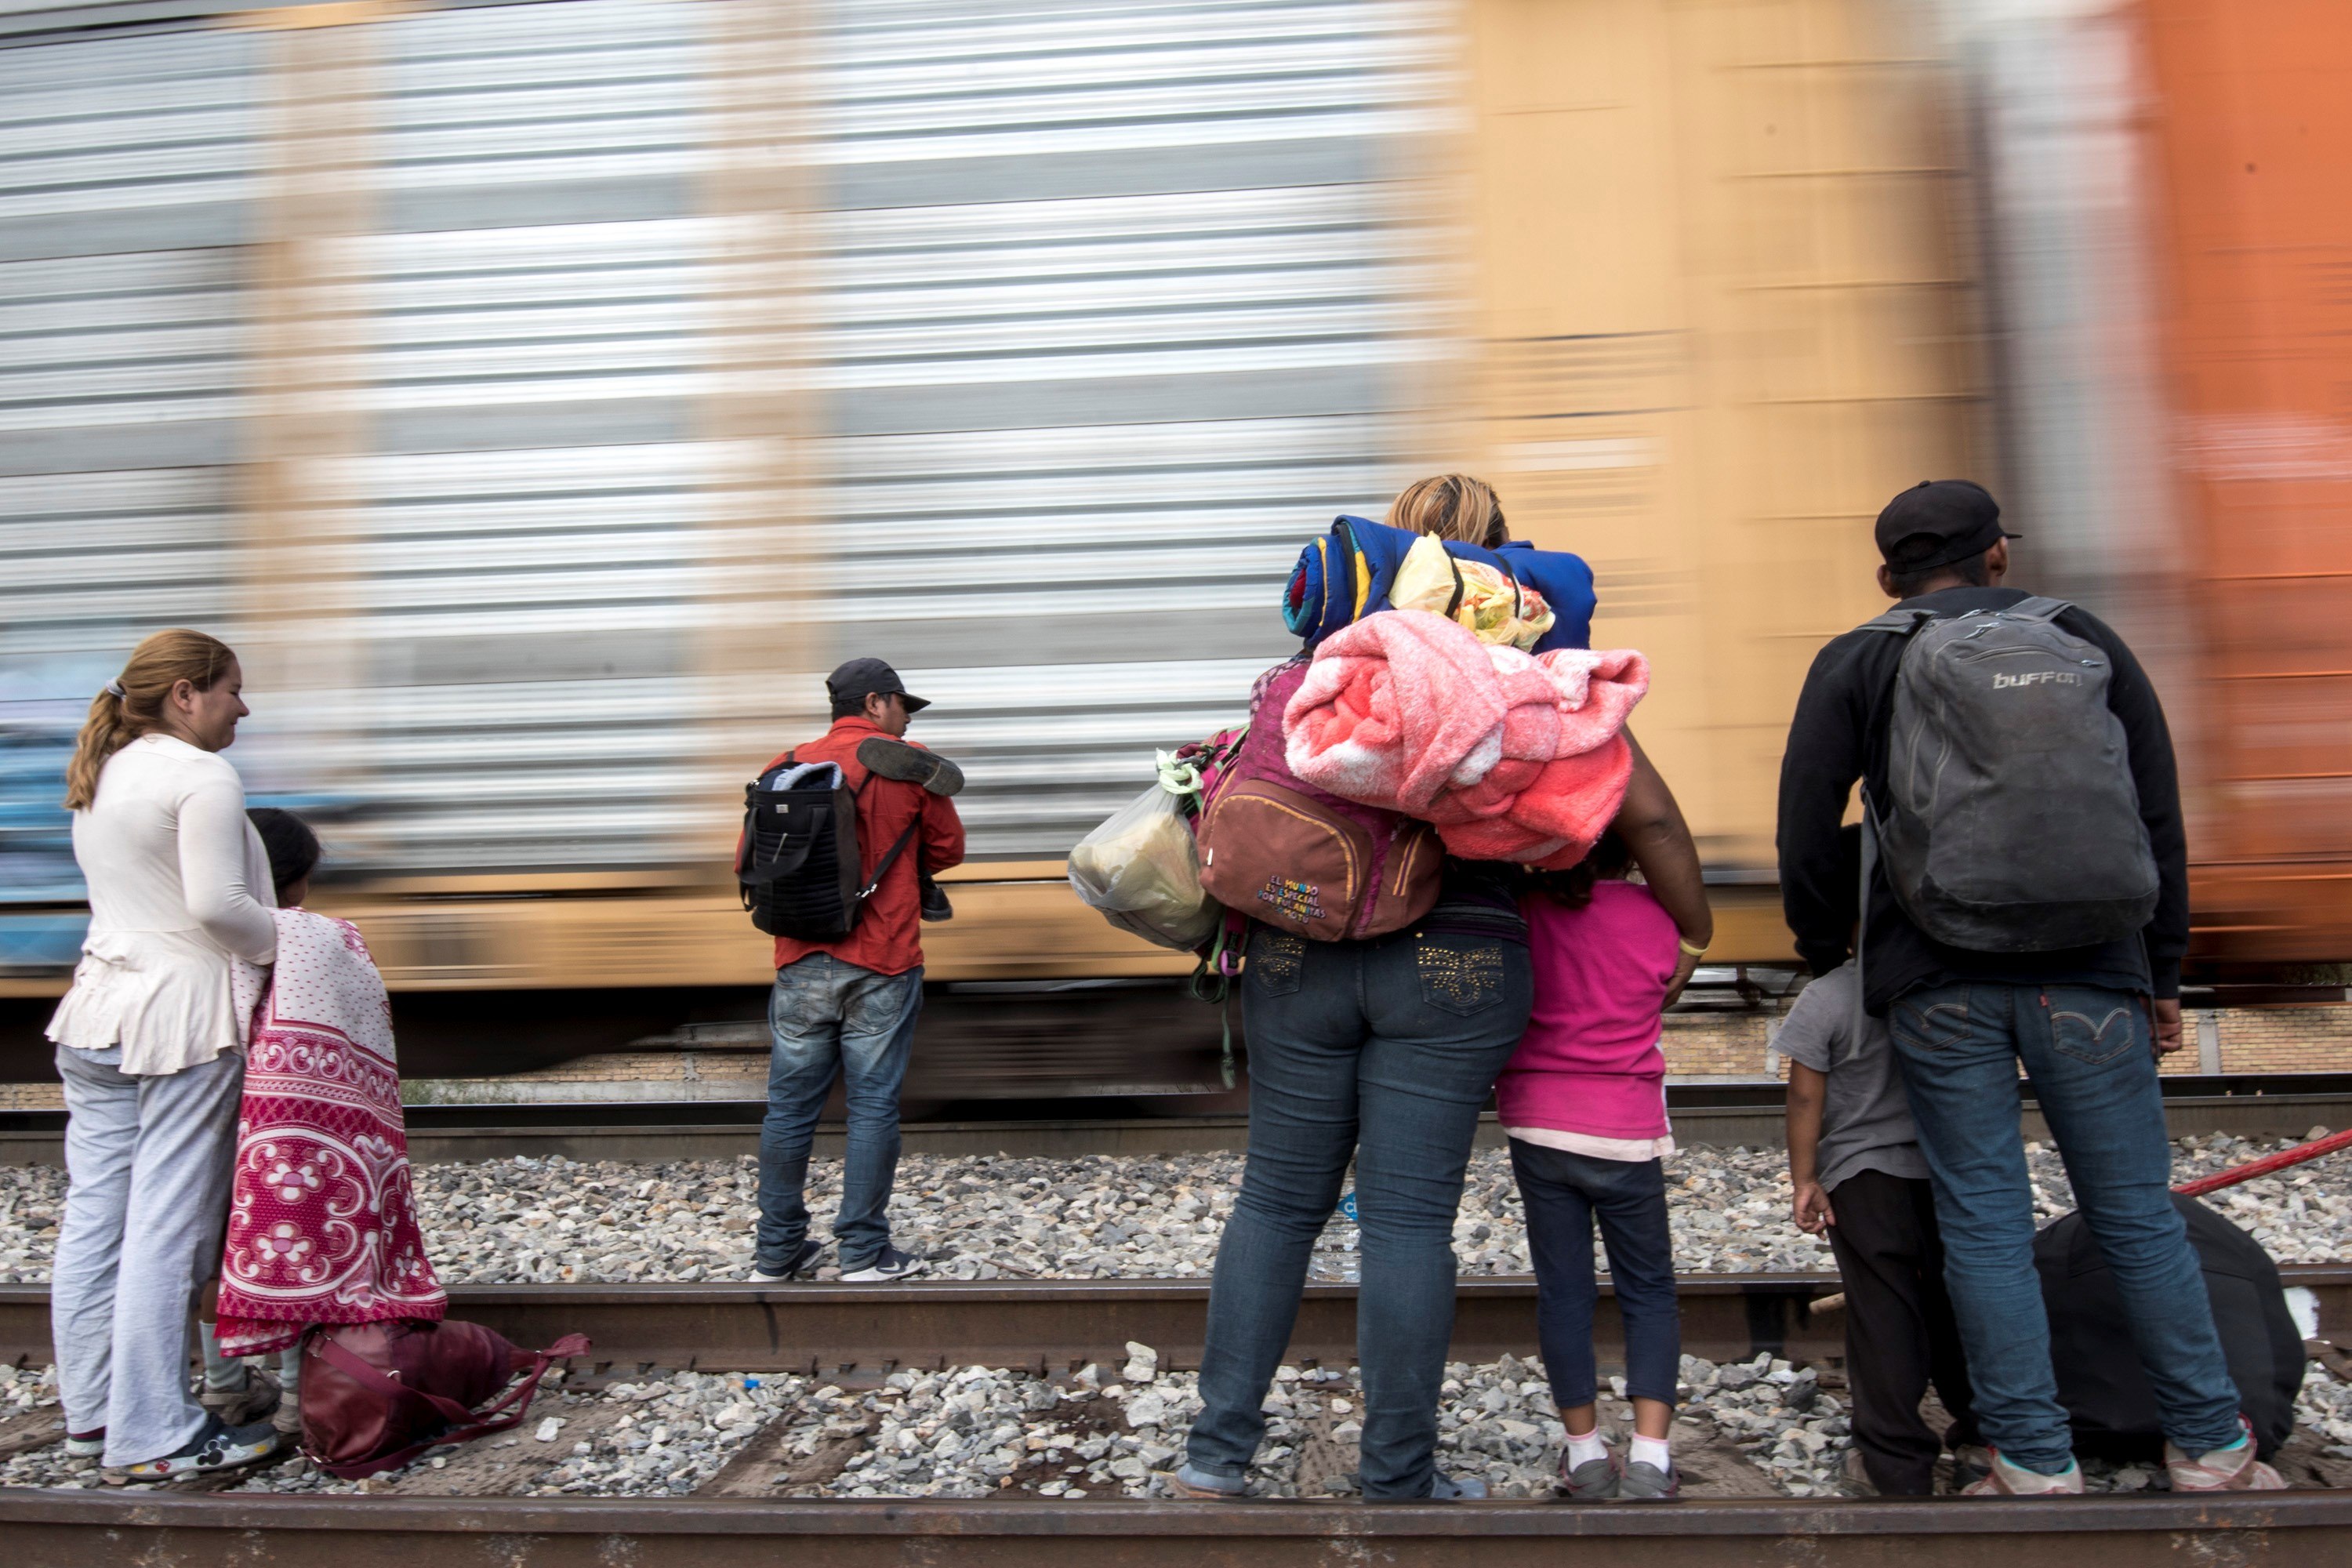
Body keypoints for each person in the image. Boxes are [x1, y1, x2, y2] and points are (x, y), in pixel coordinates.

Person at [1178, 476, 1711, 1502]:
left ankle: (1215, 1456)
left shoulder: (1327, 657)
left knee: (1278, 1204)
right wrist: (1692, 926)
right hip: (1455, 961)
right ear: (1504, 565)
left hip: (1300, 952)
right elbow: (1651, 819)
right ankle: (1396, 1473)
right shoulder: (1527, 664)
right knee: (1409, 1220)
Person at [1776, 480, 2280, 1494]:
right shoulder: (2083, 637)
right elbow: (2156, 815)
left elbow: (1804, 828)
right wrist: (2162, 970)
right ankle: (2211, 1448)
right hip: (2092, 973)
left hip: (1937, 981)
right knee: (2137, 1212)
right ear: (1997, 556)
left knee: (1983, 1219)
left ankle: (2033, 1457)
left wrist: (1834, 946)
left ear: (1888, 576)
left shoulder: (1862, 657)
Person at [45, 629, 282, 1478]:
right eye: (231, 690)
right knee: (166, 1225)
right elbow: (219, 906)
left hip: (97, 1010)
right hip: (181, 1017)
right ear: (186, 693)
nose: (242, 708)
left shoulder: (104, 770)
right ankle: (152, 1432)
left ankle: (92, 1413)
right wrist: (295, 938)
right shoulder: (200, 774)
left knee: (97, 1220)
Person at [201, 808, 446, 1441]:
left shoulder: (198, 938)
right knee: (298, 1238)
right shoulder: (319, 938)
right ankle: (291, 1397)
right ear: (299, 879)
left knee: (210, 1240)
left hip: (205, 1100)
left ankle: (222, 1388)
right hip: (290, 1127)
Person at [1499, 826, 1708, 1502]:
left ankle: (1585, 1455)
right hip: (1626, 1132)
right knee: (1649, 1292)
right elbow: (1664, 988)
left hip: (1539, 1124)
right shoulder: (1661, 918)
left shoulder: (1525, 909)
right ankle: (1650, 1458)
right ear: (1633, 853)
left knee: (1565, 1292)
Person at [1778, 827, 1980, 1495]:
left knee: (1884, 1312)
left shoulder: (1829, 998)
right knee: (1960, 1306)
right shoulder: (1949, 989)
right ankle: (1984, 1436)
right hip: (1947, 1174)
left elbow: (1806, 1097)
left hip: (1863, 1182)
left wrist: (1805, 1178)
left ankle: (1895, 1462)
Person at [750, 658, 964, 1284]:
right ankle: (863, 1254)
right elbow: (949, 849)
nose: (904, 718)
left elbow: (750, 859)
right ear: (875, 703)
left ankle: (777, 1253)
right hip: (883, 959)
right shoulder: (910, 764)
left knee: (788, 1112)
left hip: (800, 960)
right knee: (871, 1108)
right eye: (901, 705)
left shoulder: (783, 767)